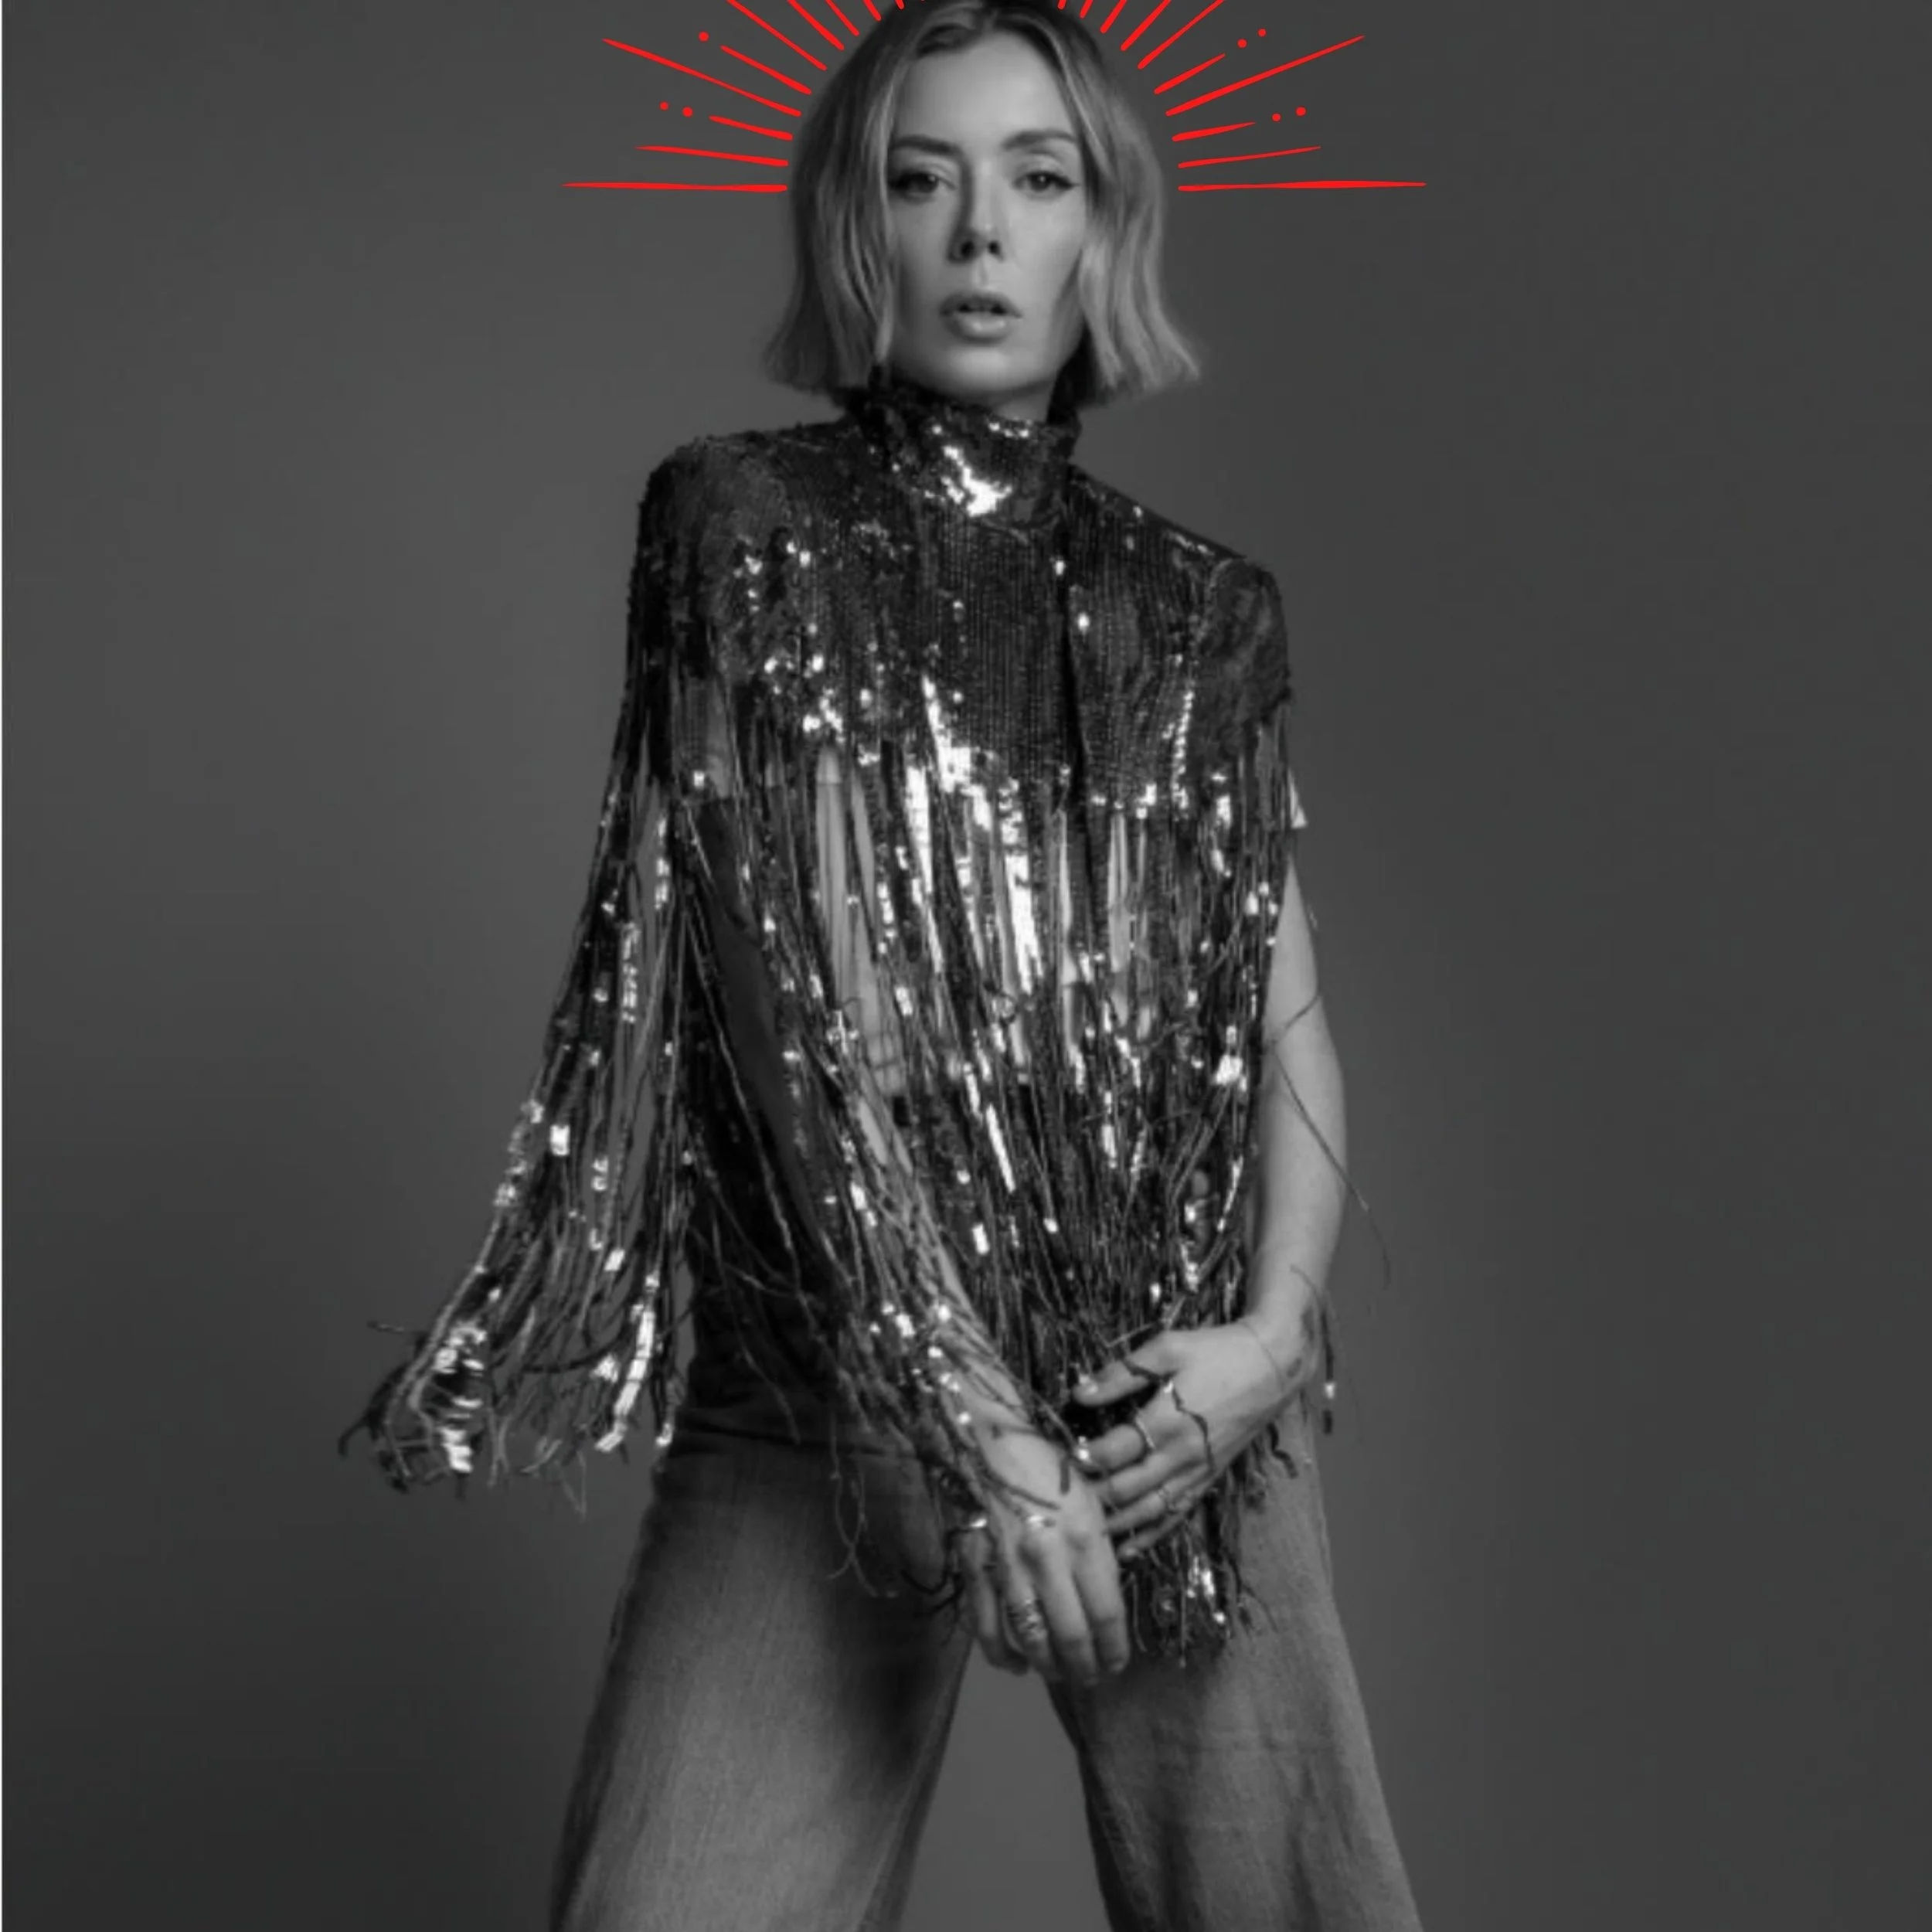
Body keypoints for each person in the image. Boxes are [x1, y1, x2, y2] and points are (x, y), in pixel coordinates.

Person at [352, 3, 1423, 1926]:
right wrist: (974, 1421)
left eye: (1038, 179)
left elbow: (1288, 1028)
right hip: (838, 1373)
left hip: (1171, 1398)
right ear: (860, 233)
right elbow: (796, 1015)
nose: (981, 232)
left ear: (1103, 229)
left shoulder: (1203, 611)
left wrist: (1266, 1344)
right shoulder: (742, 526)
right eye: (923, 180)